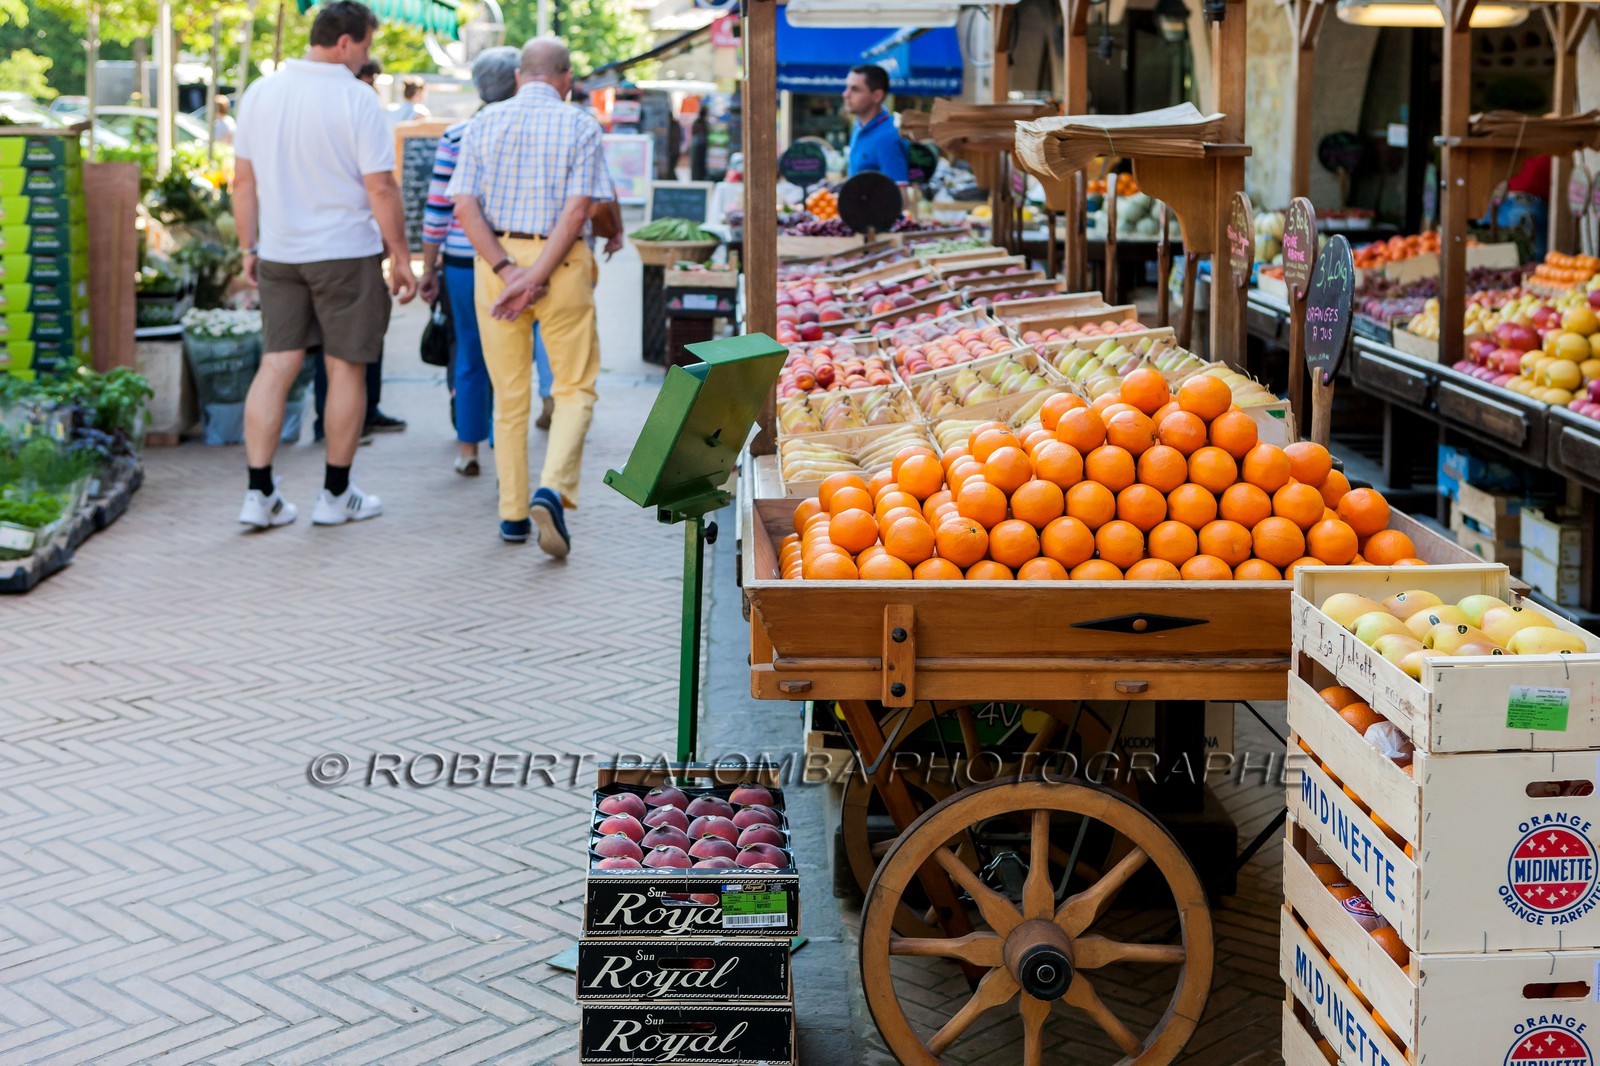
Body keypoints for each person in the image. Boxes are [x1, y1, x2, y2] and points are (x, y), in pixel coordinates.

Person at [232, 0, 417, 530]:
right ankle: (335, 496)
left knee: (277, 366)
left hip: (280, 251)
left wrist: (249, 247)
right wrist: (401, 257)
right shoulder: (357, 100)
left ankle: (258, 493)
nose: (367, 56)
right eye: (365, 46)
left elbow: (242, 182)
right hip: (345, 253)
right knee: (344, 368)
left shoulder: (260, 92)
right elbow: (380, 186)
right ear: (344, 43)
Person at [448, 36, 612, 556]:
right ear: (565, 79)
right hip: (559, 266)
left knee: (510, 394)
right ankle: (552, 488)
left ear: (521, 76)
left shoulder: (483, 121)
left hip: (495, 268)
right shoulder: (581, 124)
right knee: (574, 388)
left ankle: (513, 515)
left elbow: (464, 208)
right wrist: (538, 275)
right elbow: (577, 211)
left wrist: (507, 270)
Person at [420, 46, 531, 477]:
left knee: (469, 353)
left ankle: (468, 449)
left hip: (464, 262)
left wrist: (428, 268)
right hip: (520, 260)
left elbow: (437, 211)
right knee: (513, 354)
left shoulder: (456, 135)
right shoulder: (531, 131)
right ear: (518, 80)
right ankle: (506, 443)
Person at [310, 54, 406, 440]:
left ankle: (363, 412)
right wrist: (399, 249)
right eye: (370, 77)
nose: (371, 86)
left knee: (359, 341)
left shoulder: (345, 109)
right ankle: (334, 426)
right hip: (343, 245)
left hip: (342, 242)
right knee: (344, 349)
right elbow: (379, 186)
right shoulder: (353, 108)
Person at [843, 64, 909, 182]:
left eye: (855, 89)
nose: (846, 94)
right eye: (847, 87)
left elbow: (899, 193)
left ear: (877, 96)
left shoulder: (888, 137)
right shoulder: (858, 126)